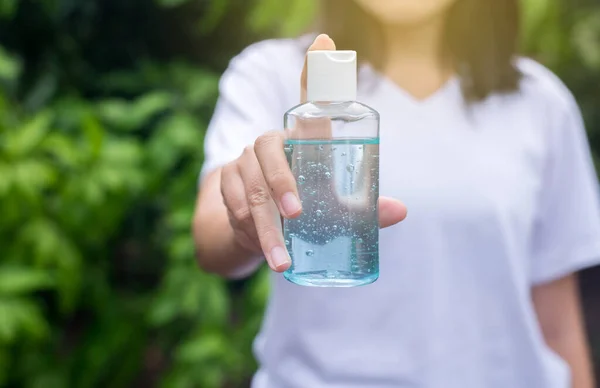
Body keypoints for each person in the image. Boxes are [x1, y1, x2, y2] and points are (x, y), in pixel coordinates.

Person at [192, 0, 600, 387]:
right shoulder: (272, 72)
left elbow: (559, 324)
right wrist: (249, 211)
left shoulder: (539, 100)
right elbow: (211, 234)